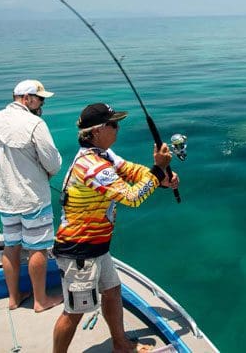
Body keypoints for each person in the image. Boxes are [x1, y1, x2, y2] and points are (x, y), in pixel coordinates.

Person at [52, 103, 179, 353]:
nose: (118, 128)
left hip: (97, 246)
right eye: (114, 124)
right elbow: (132, 197)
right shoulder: (91, 165)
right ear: (98, 130)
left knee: (112, 292)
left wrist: (162, 177)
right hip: (79, 250)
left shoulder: (104, 155)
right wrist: (157, 171)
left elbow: (132, 171)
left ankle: (120, 344)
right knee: (74, 312)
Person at [0, 79, 64, 312]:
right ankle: (40, 300)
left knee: (11, 246)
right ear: (26, 98)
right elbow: (53, 162)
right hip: (32, 198)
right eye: (40, 99)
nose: (42, 104)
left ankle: (14, 298)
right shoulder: (35, 123)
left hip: (4, 198)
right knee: (38, 248)